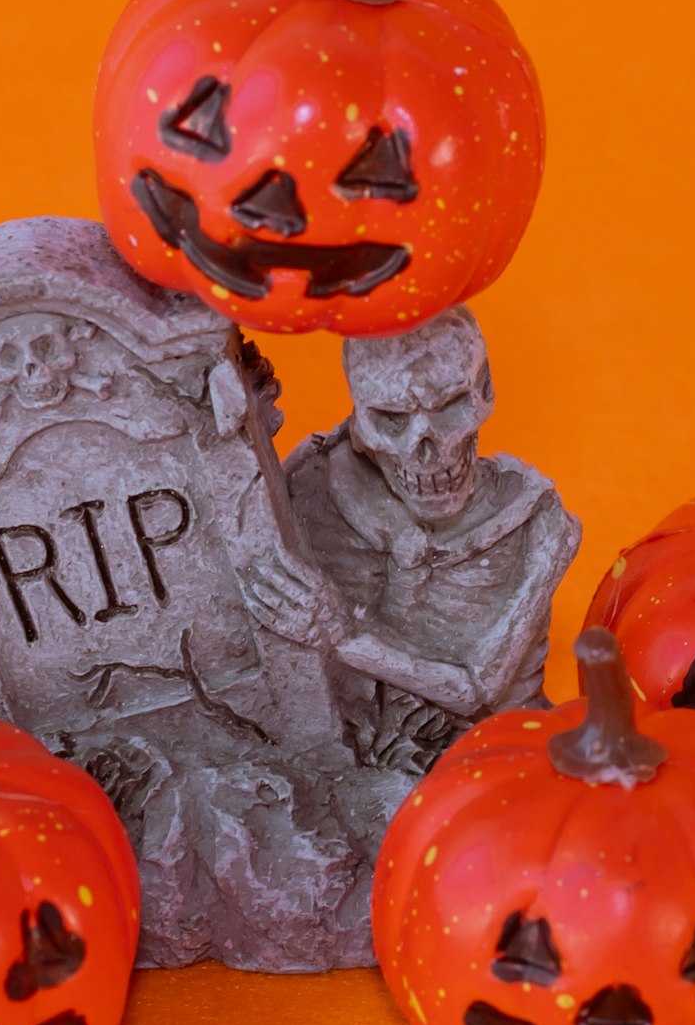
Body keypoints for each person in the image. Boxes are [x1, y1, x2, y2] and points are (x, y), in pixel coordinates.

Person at [241, 306, 580, 775]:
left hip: (499, 759)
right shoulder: (314, 481)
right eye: (391, 419)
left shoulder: (538, 521)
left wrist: (343, 637)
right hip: (346, 757)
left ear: (484, 393)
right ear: (359, 425)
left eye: (450, 408)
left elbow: (478, 686)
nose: (427, 448)